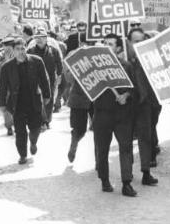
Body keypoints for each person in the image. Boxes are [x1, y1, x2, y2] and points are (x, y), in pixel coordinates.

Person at [92, 33, 137, 196]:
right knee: (102, 149)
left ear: (118, 48)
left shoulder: (126, 66)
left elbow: (134, 89)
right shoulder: (95, 68)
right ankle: (104, 180)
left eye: (110, 44)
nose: (107, 46)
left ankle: (126, 183)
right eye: (105, 43)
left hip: (122, 115)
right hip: (102, 113)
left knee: (125, 148)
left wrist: (125, 96)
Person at [0, 38, 51, 164]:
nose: (21, 52)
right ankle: (23, 155)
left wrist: (47, 95)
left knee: (36, 128)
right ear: (13, 51)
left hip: (34, 101)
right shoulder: (7, 67)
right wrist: (2, 104)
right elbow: (3, 87)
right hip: (17, 104)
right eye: (18, 49)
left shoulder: (37, 61)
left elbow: (45, 80)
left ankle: (33, 142)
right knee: (20, 132)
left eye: (23, 48)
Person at [127, 27, 159, 186]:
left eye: (143, 41)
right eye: (136, 42)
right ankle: (127, 172)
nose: (140, 45)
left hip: (145, 106)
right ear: (129, 43)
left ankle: (146, 172)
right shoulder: (122, 61)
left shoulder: (151, 61)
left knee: (145, 138)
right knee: (126, 141)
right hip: (126, 107)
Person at [65, 34, 93, 163]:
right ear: (81, 44)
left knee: (100, 131)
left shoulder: (99, 55)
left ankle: (100, 161)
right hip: (79, 98)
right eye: (85, 44)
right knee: (79, 129)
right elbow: (69, 78)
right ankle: (74, 143)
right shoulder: (74, 56)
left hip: (96, 99)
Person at [27, 28, 63, 129]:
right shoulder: (30, 51)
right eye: (37, 38)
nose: (39, 40)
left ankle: (47, 120)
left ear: (46, 39)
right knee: (38, 100)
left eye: (41, 38)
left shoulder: (53, 50)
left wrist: (59, 75)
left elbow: (59, 64)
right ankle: (41, 120)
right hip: (36, 80)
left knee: (49, 100)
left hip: (51, 79)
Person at [0, 36, 16, 135]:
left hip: (17, 84)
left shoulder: (18, 53)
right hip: (6, 85)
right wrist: (6, 60)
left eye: (10, 46)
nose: (8, 48)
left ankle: (17, 124)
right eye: (7, 46)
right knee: (7, 107)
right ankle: (9, 127)